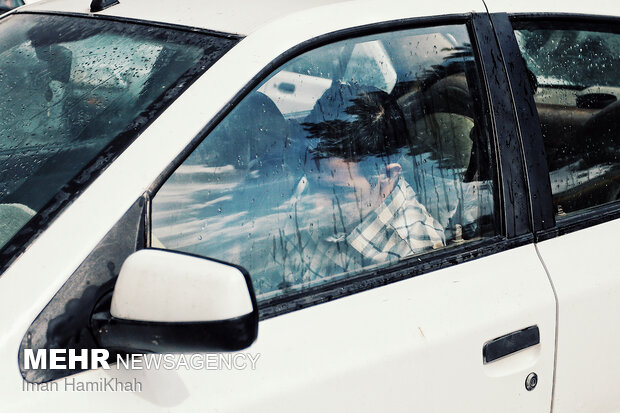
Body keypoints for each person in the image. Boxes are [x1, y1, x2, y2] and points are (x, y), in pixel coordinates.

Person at [274, 82, 445, 287]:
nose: (317, 205)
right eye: (313, 183)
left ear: (388, 177)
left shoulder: (413, 254)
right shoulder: (311, 189)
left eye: (339, 193)